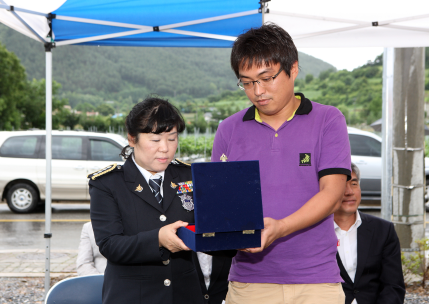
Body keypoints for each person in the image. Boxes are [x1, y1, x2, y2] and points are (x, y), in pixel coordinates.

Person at [212, 23, 351, 304]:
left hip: (316, 281)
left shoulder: (327, 120)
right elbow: (223, 204)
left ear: (293, 69)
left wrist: (280, 227)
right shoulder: (229, 129)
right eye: (247, 82)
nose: (258, 90)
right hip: (249, 282)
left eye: (267, 78)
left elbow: (333, 194)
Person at [89, 96, 204, 304]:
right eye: (155, 140)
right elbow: (110, 245)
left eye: (172, 138)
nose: (165, 148)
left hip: (185, 295)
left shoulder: (189, 176)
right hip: (133, 297)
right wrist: (157, 239)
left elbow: (208, 229)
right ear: (132, 139)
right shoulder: (107, 183)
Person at [334, 163, 405, 304]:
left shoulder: (383, 230)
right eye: (341, 185)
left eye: (354, 184)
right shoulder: (314, 233)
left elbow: (393, 285)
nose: (349, 192)